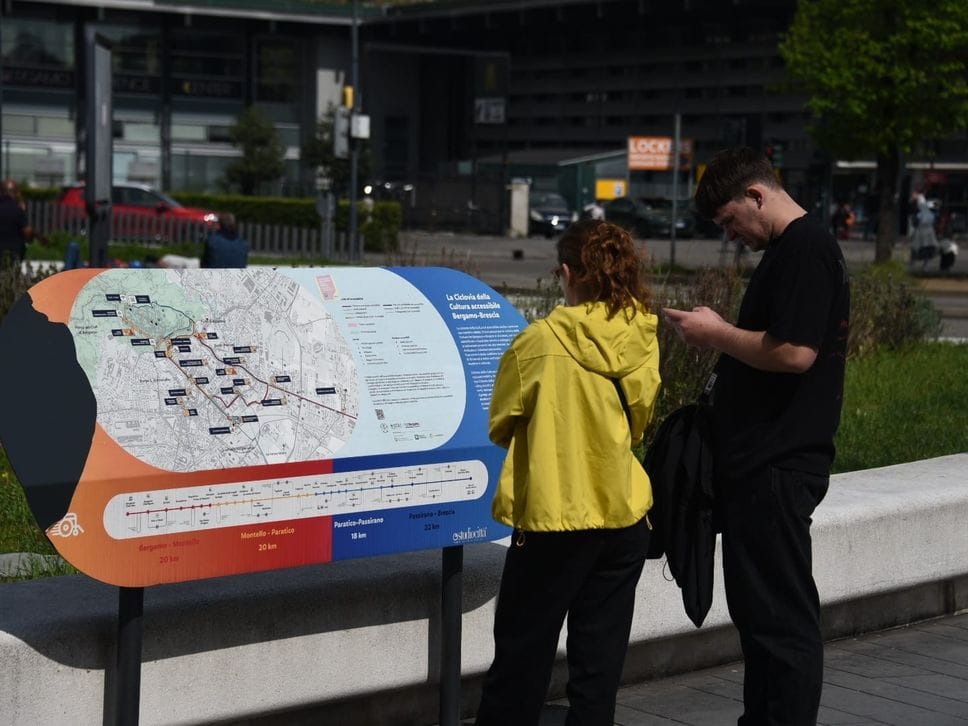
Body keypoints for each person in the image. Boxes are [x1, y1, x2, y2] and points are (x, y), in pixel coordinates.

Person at [664, 147, 849, 726]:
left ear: (756, 195)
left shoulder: (806, 249)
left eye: (729, 221)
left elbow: (795, 353)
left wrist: (717, 334)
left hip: (777, 465)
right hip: (762, 466)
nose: (731, 236)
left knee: (779, 619)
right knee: (760, 615)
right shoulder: (791, 252)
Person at [476, 219, 661, 726]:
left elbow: (500, 423)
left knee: (521, 660)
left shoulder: (537, 343)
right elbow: (639, 421)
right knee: (599, 667)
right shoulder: (642, 333)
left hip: (553, 523)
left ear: (566, 273)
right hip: (624, 519)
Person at [0, 179, 33, 266]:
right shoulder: (17, 210)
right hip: (13, 253)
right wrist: (29, 241)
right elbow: (27, 231)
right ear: (15, 192)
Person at [909, 191, 938, 269]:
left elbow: (915, 222)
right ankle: (924, 264)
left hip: (921, 231)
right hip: (928, 231)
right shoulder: (929, 212)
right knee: (924, 248)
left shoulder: (920, 213)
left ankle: (914, 264)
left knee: (917, 248)